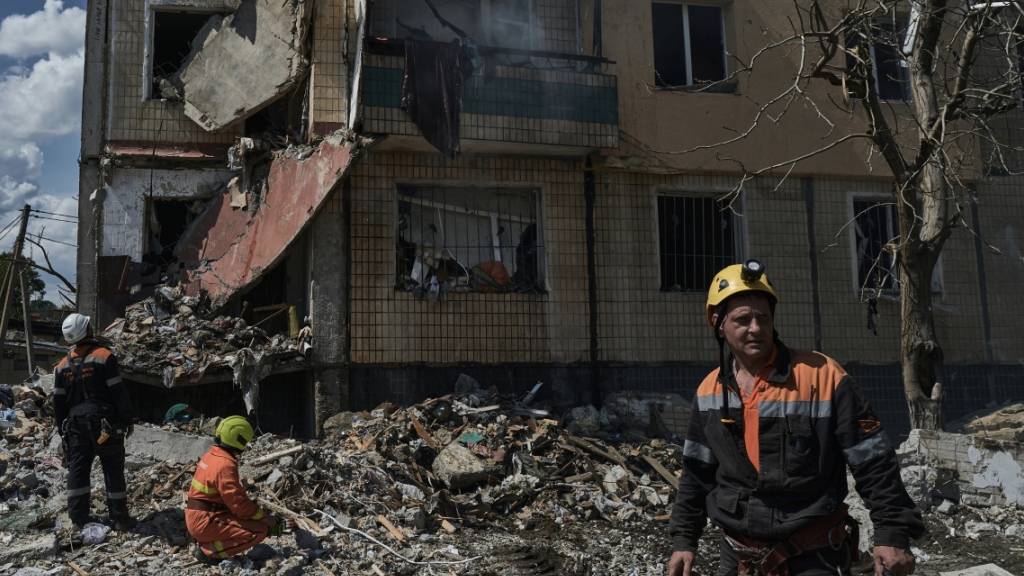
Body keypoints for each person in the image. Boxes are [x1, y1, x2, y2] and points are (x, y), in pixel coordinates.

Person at [667, 260, 924, 576]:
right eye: (742, 319)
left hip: (812, 553)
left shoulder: (822, 376)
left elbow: (873, 462)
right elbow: (696, 475)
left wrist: (892, 534)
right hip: (739, 557)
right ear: (718, 323)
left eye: (763, 317)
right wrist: (683, 540)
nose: (756, 328)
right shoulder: (710, 391)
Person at [54, 312, 136, 530]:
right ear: (87, 331)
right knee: (112, 469)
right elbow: (118, 392)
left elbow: (58, 404)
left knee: (78, 469)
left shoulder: (61, 366)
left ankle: (78, 517)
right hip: (105, 424)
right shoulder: (104, 356)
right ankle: (119, 519)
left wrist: (63, 432)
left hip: (75, 426)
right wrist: (126, 419)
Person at [186, 415, 283, 565]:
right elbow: (239, 506)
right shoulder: (225, 464)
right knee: (259, 531)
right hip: (205, 521)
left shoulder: (212, 455)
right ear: (239, 440)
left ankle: (209, 543)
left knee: (253, 521)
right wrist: (264, 518)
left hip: (200, 517)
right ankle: (210, 553)